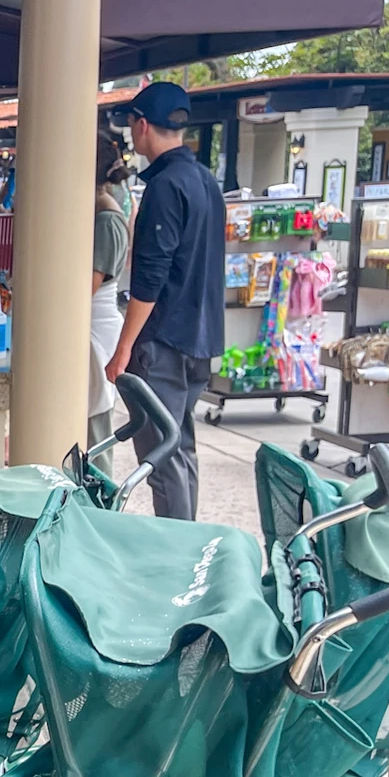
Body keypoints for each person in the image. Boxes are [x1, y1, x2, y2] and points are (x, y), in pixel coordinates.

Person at [105, 81, 224, 520]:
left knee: (161, 455)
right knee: (180, 446)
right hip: (200, 337)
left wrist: (124, 347)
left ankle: (178, 556)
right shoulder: (205, 181)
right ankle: (187, 545)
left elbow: (150, 278)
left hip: (163, 341)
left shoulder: (165, 185)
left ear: (141, 125)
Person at [87, 131, 132, 462]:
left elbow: (86, 285)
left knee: (95, 428)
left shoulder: (106, 217)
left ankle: (101, 502)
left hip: (97, 327)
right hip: (92, 325)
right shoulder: (99, 212)